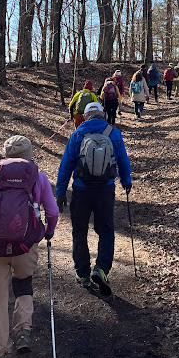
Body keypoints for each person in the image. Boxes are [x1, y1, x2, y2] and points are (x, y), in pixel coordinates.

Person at [0, 136, 59, 358]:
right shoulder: (38, 178)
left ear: (5, 154)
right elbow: (53, 211)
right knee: (23, 285)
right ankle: (23, 331)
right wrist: (47, 233)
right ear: (30, 154)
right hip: (25, 247)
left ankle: (1, 354)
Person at [55, 102, 133, 296]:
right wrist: (126, 180)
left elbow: (66, 164)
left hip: (82, 189)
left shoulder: (77, 134)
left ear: (86, 116)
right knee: (106, 230)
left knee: (79, 231)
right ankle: (101, 268)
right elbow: (122, 159)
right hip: (105, 190)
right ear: (102, 114)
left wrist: (60, 191)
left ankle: (83, 273)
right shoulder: (113, 133)